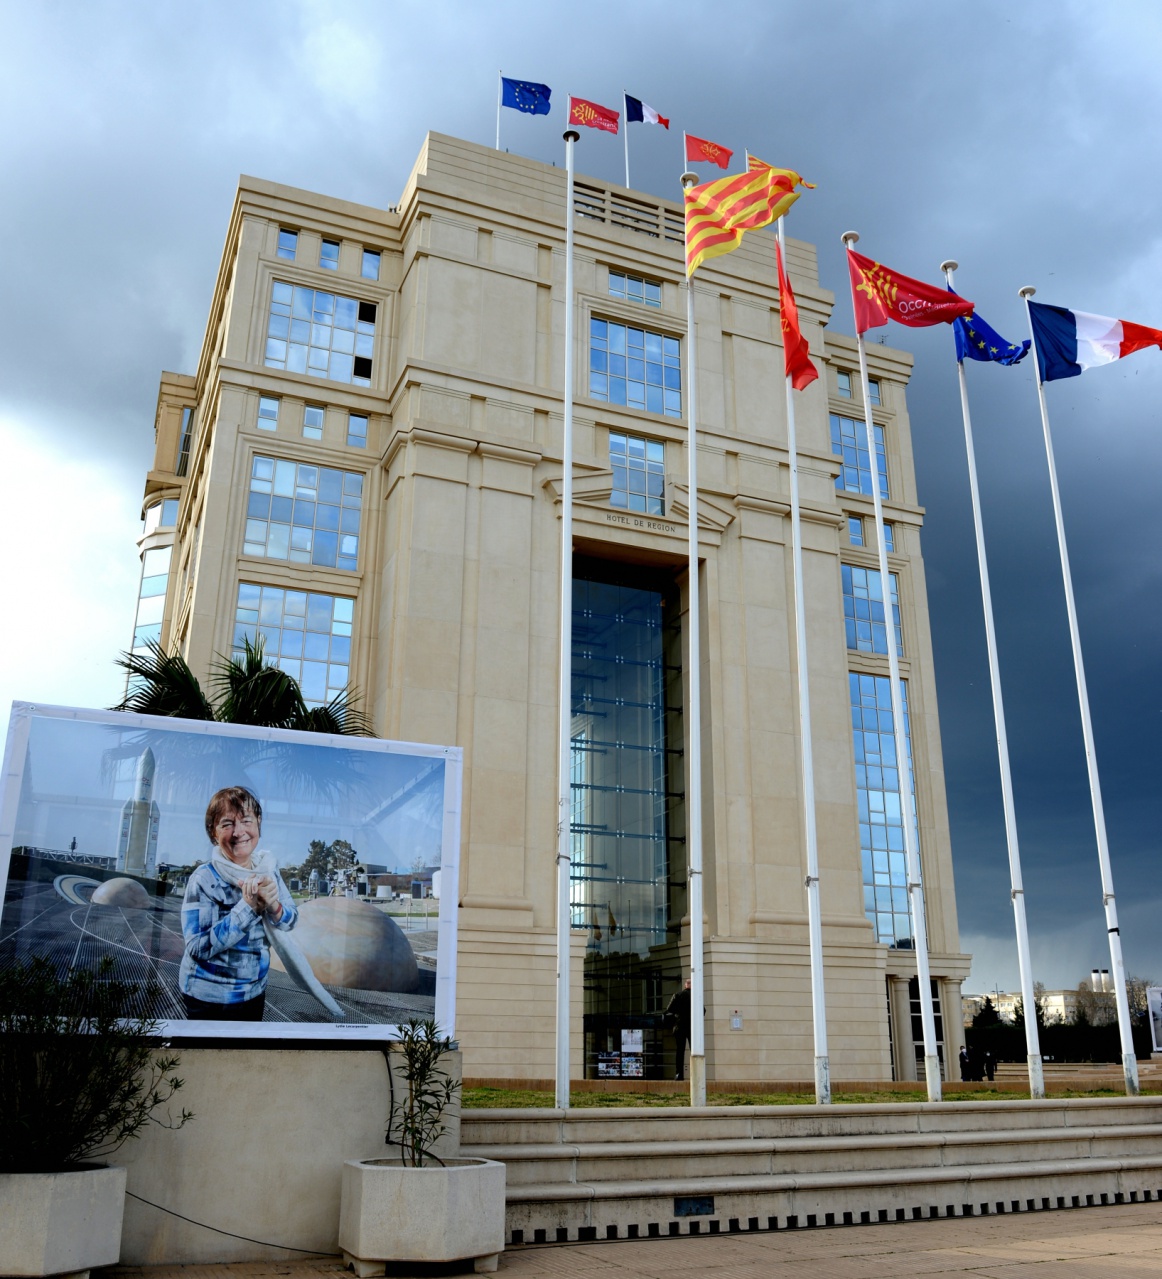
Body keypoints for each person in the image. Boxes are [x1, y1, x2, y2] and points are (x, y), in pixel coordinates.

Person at [178, 786, 298, 1021]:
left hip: (253, 993)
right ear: (213, 832)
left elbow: (291, 920)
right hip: (207, 998)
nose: (238, 832)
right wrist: (249, 908)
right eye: (226, 824)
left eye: (246, 821)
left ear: (258, 823)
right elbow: (197, 948)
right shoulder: (204, 878)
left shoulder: (268, 869)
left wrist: (274, 906)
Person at [665, 978, 693, 1081]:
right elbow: (703, 1011)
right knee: (694, 1051)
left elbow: (669, 1009)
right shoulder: (696, 996)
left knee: (680, 1051)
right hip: (692, 1027)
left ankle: (679, 1074)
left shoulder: (678, 995)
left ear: (685, 985)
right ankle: (695, 1074)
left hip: (680, 1025)